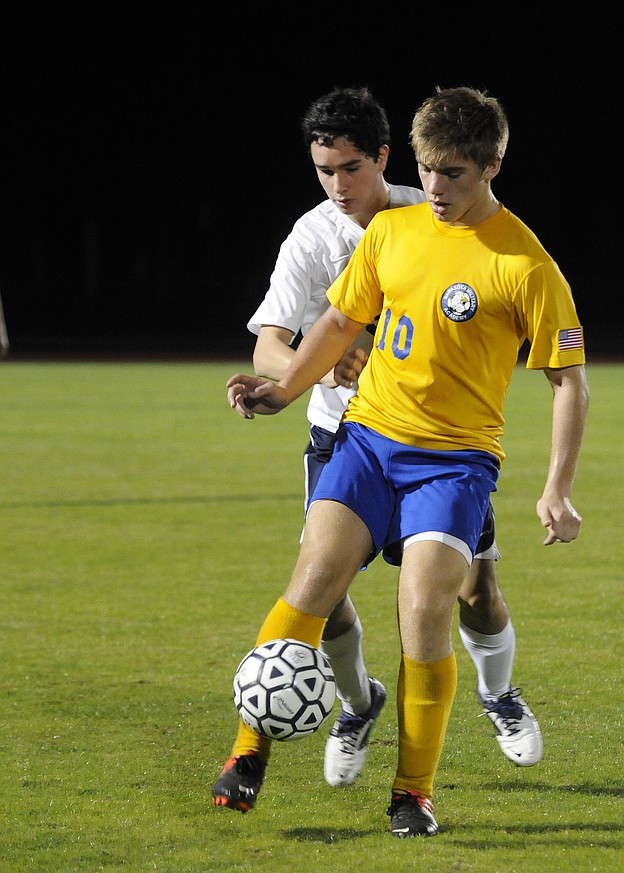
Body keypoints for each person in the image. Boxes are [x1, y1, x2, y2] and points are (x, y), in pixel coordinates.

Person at [223, 86, 589, 837]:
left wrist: (557, 488)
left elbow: (568, 381)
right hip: (367, 441)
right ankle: (248, 751)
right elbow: (336, 320)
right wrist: (284, 390)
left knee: (425, 612)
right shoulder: (394, 233)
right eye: (425, 170)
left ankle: (412, 791)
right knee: (313, 581)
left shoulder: (525, 262)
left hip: (454, 464)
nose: (434, 187)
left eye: (452, 173)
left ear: (492, 164)